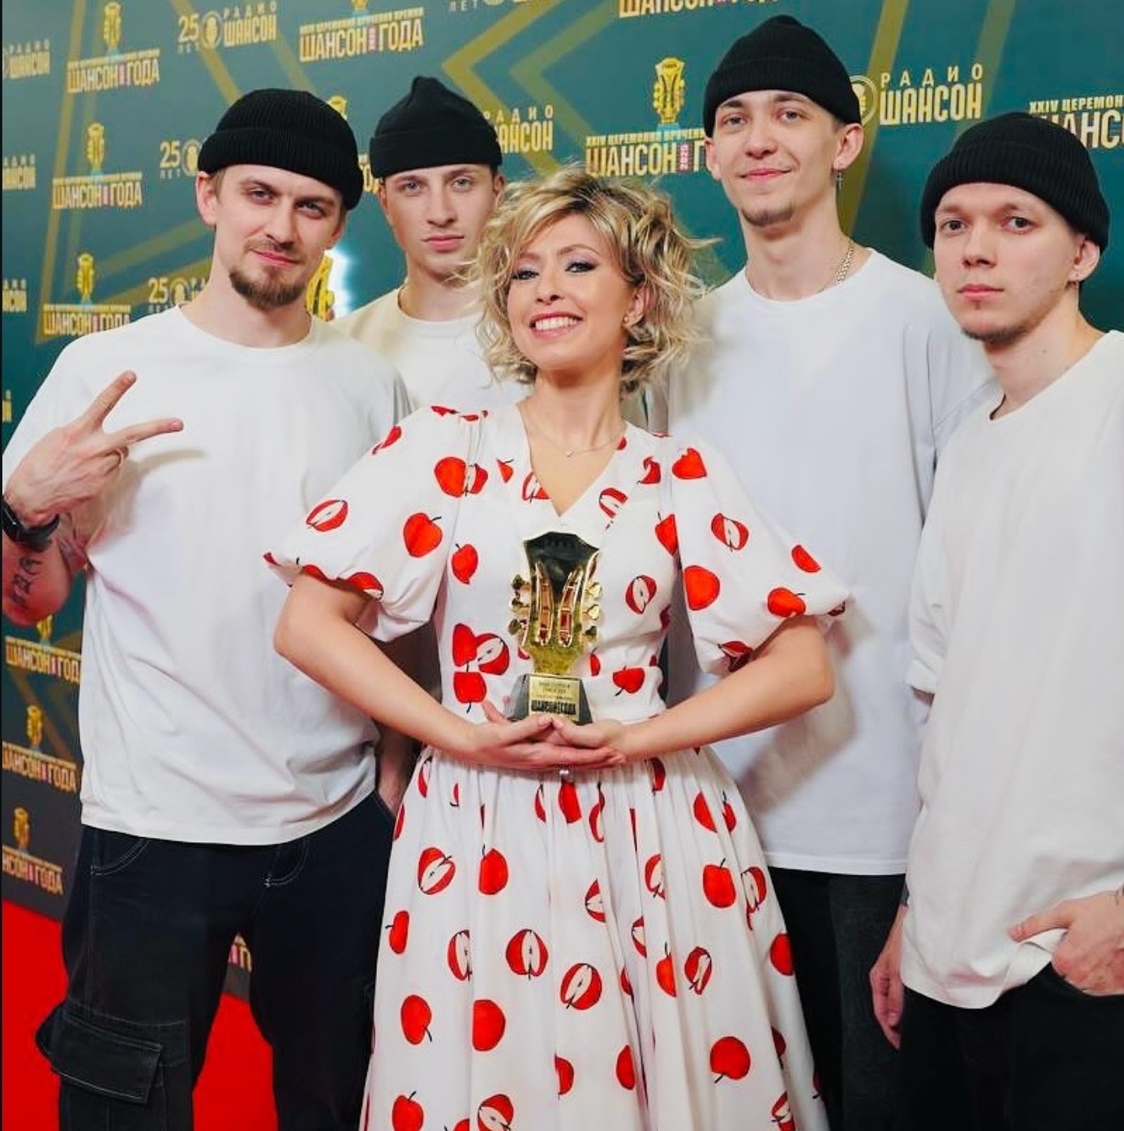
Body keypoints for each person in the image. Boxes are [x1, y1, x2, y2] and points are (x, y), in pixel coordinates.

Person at [269, 166, 851, 1131]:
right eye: (525, 272)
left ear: (640, 296)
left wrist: (639, 737)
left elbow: (804, 664)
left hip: (650, 824)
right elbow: (307, 623)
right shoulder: (443, 447)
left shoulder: (680, 472)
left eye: (579, 266)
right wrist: (455, 733)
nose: (547, 291)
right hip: (476, 822)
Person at [2, 89, 411, 1129]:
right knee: (122, 1111)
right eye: (258, 194)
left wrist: (394, 769)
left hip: (333, 823)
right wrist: (23, 508)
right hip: (155, 823)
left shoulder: (372, 386)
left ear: (338, 225)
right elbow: (31, 600)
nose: (281, 226)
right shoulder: (104, 371)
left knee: (340, 1101)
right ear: (208, 196)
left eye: (312, 206)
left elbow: (393, 605)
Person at [665, 13, 994, 1130]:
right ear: (710, 154)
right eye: (734, 120)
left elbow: (976, 581)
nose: (760, 139)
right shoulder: (680, 343)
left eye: (790, 114)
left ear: (845, 142)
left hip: (885, 820)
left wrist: (945, 826)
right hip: (716, 814)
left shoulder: (931, 322)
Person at [869, 112, 1124, 1131]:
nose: (976, 247)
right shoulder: (968, 442)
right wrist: (917, 912)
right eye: (954, 224)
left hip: (1101, 970)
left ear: (1082, 252)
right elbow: (949, 716)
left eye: (1017, 221)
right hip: (949, 962)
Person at [335, 73, 526, 410]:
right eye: (413, 187)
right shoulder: (344, 346)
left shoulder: (549, 336)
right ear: (385, 203)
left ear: (497, 192)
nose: (440, 213)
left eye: (461, 183)